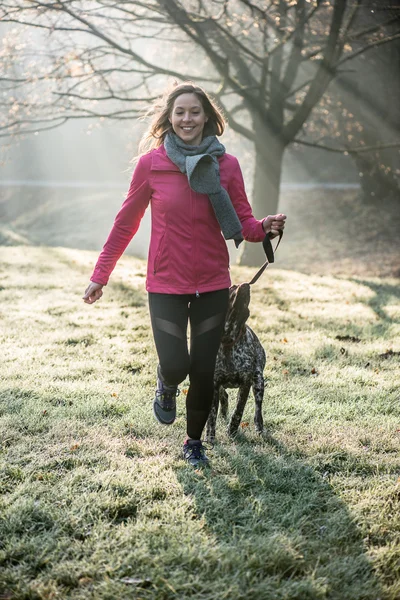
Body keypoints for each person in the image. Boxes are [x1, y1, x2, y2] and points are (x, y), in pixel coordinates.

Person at [83, 82, 286, 467]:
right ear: (169, 118)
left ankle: (193, 444)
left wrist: (265, 226)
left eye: (195, 112)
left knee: (203, 368)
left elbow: (242, 221)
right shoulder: (152, 165)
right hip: (166, 283)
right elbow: (125, 224)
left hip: (212, 283)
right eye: (180, 112)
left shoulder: (226, 166)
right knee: (176, 364)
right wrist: (101, 274)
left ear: (207, 116)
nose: (187, 118)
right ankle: (166, 383)